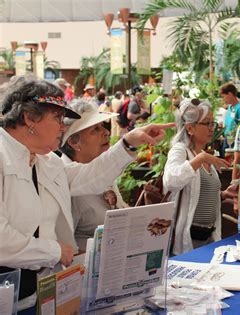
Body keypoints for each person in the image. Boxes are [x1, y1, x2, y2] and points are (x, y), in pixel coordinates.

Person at [0, 75, 173, 310]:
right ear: (29, 117)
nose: (63, 126)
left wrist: (128, 143)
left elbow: (90, 177)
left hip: (35, 295)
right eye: (57, 117)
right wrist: (54, 251)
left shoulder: (47, 161)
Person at [163, 99, 236, 255]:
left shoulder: (203, 155)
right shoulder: (180, 150)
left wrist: (222, 195)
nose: (212, 128)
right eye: (207, 123)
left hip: (208, 238)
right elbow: (170, 181)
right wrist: (200, 159)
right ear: (190, 128)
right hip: (188, 238)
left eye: (212, 123)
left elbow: (197, 193)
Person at [60, 100, 128, 252]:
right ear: (74, 142)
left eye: (102, 126)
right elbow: (64, 246)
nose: (106, 132)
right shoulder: (64, 181)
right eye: (95, 130)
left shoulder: (99, 167)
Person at [220, 83, 240, 149]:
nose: (223, 99)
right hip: (227, 140)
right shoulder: (230, 107)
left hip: (234, 142)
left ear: (230, 94)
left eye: (223, 96)